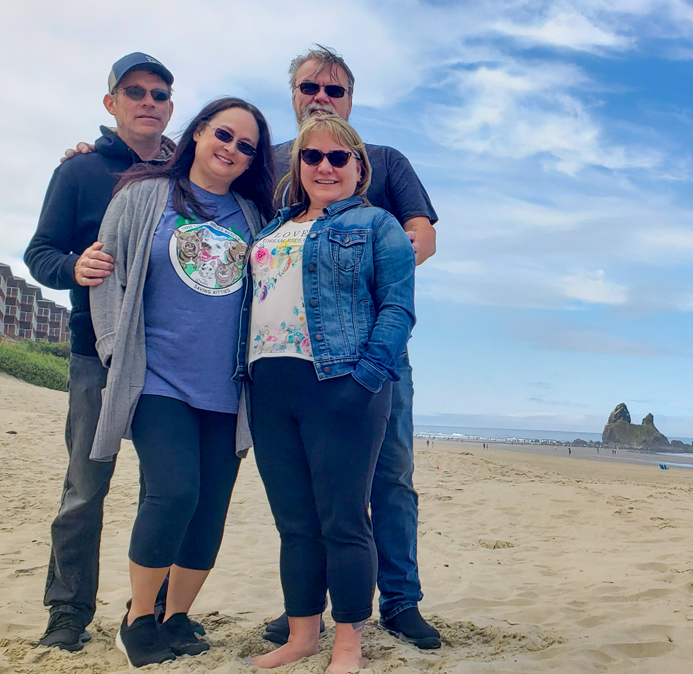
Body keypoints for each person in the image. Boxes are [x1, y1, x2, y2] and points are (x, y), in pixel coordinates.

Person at [257, 45, 441, 650]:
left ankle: (400, 600)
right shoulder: (269, 163)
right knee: (311, 491)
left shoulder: (383, 161)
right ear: (292, 95)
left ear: (351, 101)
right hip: (286, 362)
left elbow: (423, 235)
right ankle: (308, 609)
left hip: (368, 352)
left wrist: (367, 273)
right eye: (310, 87)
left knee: (389, 475)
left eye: (335, 91)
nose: (321, 98)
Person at [90, 97, 274, 666]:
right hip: (156, 380)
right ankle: (137, 617)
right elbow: (105, 271)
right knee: (174, 493)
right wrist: (113, 348)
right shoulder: (142, 197)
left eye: (247, 146)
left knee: (209, 508)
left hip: (228, 390)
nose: (232, 150)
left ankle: (177, 617)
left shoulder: (252, 217)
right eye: (224, 134)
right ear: (196, 133)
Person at [243, 114, 414, 673]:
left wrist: (364, 381)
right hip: (269, 386)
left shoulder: (378, 224)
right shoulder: (270, 228)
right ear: (298, 166)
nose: (324, 166)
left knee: (343, 521)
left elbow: (397, 308)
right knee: (294, 523)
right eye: (312, 157)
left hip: (340, 381)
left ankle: (347, 645)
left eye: (338, 158)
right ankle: (301, 637)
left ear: (358, 168)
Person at [23, 52, 176, 652]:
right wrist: (73, 267)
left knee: (167, 490)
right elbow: (40, 254)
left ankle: (156, 610)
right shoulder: (79, 172)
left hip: (169, 359)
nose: (147, 101)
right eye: (134, 91)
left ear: (170, 107)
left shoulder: (183, 172)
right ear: (111, 103)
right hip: (99, 354)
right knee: (85, 489)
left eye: (159, 94)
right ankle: (66, 613)